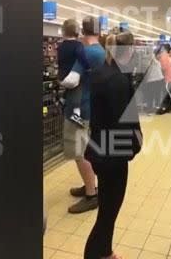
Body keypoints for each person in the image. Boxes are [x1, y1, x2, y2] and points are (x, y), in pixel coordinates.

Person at [84, 31, 142, 259]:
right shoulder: (118, 80)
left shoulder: (100, 73)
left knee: (107, 210)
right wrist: (135, 146)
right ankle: (94, 254)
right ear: (127, 51)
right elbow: (125, 122)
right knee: (108, 213)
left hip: (100, 149)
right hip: (113, 155)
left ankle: (105, 252)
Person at [60, 16, 106, 214]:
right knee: (85, 148)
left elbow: (71, 80)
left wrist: (59, 81)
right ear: (99, 32)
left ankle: (91, 195)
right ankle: (89, 185)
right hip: (91, 106)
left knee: (80, 153)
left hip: (79, 109)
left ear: (82, 31)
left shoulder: (85, 52)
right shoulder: (101, 51)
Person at [57, 19, 90, 126]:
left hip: (61, 77)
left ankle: (62, 99)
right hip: (72, 77)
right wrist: (88, 67)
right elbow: (83, 59)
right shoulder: (78, 46)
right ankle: (76, 114)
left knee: (69, 88)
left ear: (64, 32)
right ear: (77, 31)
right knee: (78, 88)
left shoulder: (60, 46)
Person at [156, 44, 171, 114]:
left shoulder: (163, 56)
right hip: (169, 77)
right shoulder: (166, 55)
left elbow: (163, 68)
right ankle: (169, 107)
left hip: (167, 77)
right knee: (167, 94)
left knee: (169, 93)